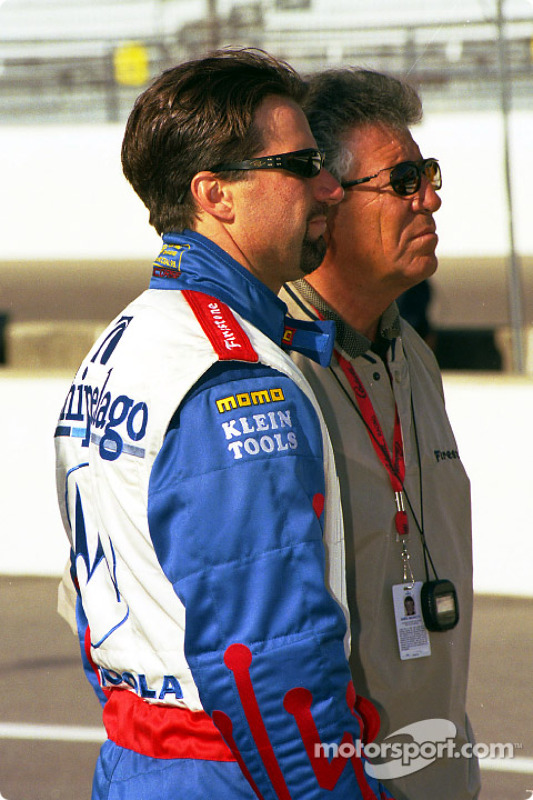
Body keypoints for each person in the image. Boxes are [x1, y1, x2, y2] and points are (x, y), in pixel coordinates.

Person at [54, 50, 394, 800]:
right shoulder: (229, 373)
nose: (330, 187)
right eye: (302, 164)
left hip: (140, 753)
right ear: (216, 194)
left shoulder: (129, 338)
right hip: (226, 768)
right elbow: (269, 653)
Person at [280, 68, 480, 800]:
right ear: (324, 204)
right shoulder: (263, 375)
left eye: (426, 174)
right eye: (401, 181)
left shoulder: (413, 356)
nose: (429, 198)